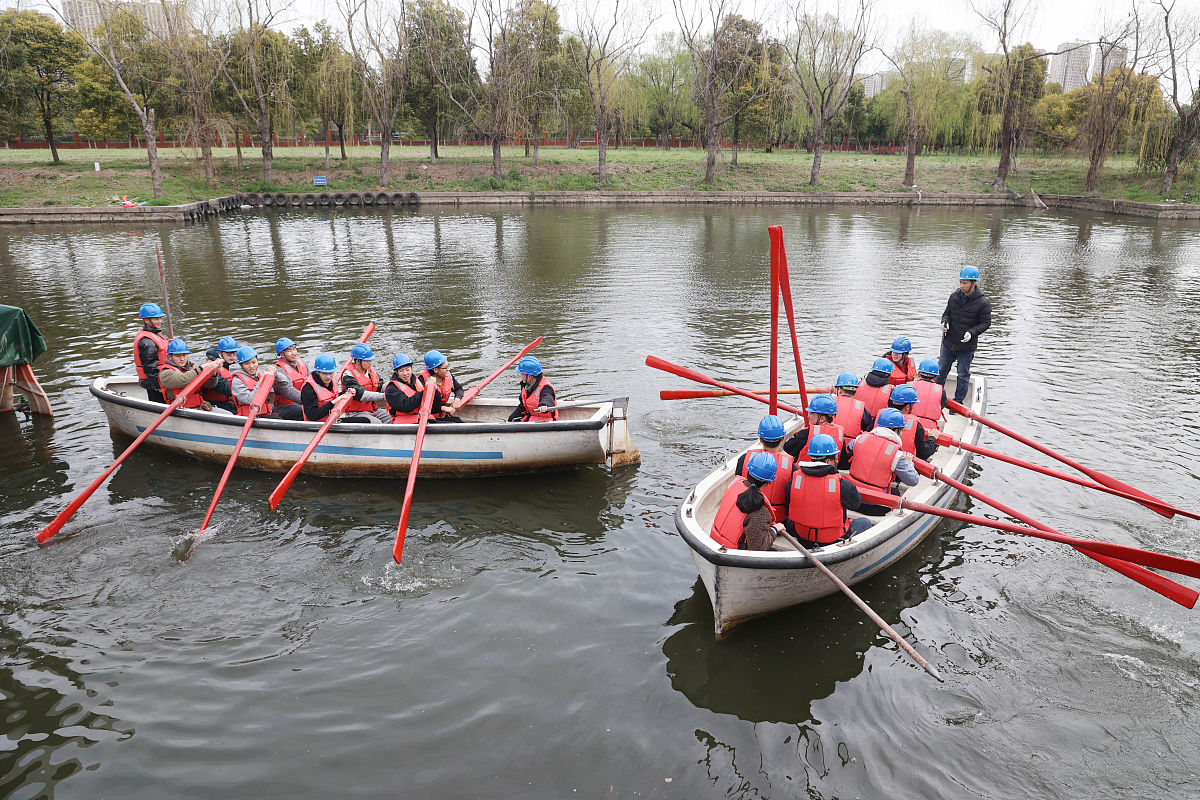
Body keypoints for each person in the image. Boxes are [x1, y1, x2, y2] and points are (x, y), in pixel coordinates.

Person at [782, 433, 875, 547]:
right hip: (833, 540)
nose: (836, 460)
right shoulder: (842, 484)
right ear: (827, 461)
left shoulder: (795, 479)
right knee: (865, 522)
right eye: (835, 457)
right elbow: (855, 504)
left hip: (803, 538)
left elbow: (788, 503)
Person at [939, 265, 992, 404]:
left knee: (962, 375)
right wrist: (944, 322)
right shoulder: (954, 297)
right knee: (941, 371)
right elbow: (947, 314)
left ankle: (957, 403)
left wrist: (972, 333)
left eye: (965, 283)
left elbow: (986, 323)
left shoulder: (983, 303)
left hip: (966, 347)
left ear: (974, 283)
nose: (962, 286)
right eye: (961, 282)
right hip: (948, 343)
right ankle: (936, 397)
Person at [709, 451, 779, 551]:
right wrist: (775, 529)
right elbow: (759, 547)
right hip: (734, 553)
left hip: (714, 541)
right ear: (769, 482)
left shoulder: (734, 484)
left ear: (748, 471)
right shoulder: (760, 509)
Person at [845, 409, 921, 499]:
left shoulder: (859, 439)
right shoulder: (897, 454)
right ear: (896, 431)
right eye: (902, 430)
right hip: (875, 500)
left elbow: (849, 447)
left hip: (851, 494)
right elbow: (913, 480)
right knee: (896, 493)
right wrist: (909, 462)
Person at [733, 415, 794, 523]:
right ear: (782, 438)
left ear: (761, 439)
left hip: (747, 517)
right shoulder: (791, 467)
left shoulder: (744, 459)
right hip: (778, 519)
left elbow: (738, 486)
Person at [157, 338, 226, 412]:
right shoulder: (165, 373)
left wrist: (213, 373)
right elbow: (183, 379)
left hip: (200, 406)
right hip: (179, 410)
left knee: (228, 414)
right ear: (170, 356)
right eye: (178, 356)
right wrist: (202, 367)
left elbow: (208, 385)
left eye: (184, 355)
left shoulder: (191, 368)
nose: (182, 359)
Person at [783, 394, 846, 463]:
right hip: (830, 469)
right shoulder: (839, 433)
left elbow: (787, 448)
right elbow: (843, 462)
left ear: (822, 418)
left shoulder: (805, 433)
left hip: (805, 469)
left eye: (811, 413)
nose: (808, 416)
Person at [228, 345, 287, 418]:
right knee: (277, 419)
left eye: (254, 362)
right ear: (241, 365)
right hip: (251, 416)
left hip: (267, 411)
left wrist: (275, 373)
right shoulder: (236, 381)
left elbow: (284, 382)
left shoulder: (259, 372)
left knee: (295, 410)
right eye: (247, 364)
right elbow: (250, 400)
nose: (251, 366)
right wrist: (261, 382)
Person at [338, 343, 390, 424]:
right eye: (367, 360)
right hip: (356, 413)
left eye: (371, 360)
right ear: (358, 361)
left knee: (392, 417)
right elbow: (361, 394)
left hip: (372, 410)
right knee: (377, 423)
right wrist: (383, 396)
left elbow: (380, 387)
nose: (370, 363)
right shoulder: (348, 375)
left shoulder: (371, 371)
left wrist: (392, 385)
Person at [886, 384, 938, 460]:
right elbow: (924, 453)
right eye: (914, 404)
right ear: (907, 406)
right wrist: (932, 438)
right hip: (903, 462)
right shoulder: (916, 428)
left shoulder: (880, 416)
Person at [301, 354, 355, 422]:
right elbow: (312, 415)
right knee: (364, 420)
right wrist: (333, 402)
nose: (328, 377)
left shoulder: (332, 381)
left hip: (332, 418)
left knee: (364, 419)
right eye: (324, 373)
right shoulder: (308, 388)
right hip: (319, 423)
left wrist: (346, 393)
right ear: (317, 372)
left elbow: (333, 396)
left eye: (331, 373)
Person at [133, 302, 169, 403]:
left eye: (160, 318)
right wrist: (159, 386)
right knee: (160, 404)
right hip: (154, 383)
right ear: (146, 320)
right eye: (156, 319)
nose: (160, 321)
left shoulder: (154, 334)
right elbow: (150, 368)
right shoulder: (147, 341)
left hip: (159, 378)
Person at [420, 350, 465, 423]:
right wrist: (442, 408)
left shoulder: (448, 375)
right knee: (457, 423)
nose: (448, 369)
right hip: (429, 418)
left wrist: (457, 398)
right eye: (445, 368)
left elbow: (458, 388)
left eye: (448, 366)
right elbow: (422, 405)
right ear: (435, 370)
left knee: (459, 421)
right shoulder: (422, 382)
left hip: (442, 414)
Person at [508, 356, 557, 422]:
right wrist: (511, 419)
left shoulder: (546, 387)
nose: (520, 375)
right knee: (512, 420)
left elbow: (547, 397)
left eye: (522, 373)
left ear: (529, 377)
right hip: (532, 418)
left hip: (545, 422)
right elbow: (523, 406)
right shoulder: (525, 386)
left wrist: (544, 405)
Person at [202, 336, 239, 413]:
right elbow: (224, 387)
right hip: (215, 403)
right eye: (229, 353)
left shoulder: (231, 364)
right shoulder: (211, 367)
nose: (232, 356)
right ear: (220, 353)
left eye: (234, 353)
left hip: (229, 401)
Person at [831, 372, 872, 438]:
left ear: (840, 390)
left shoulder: (830, 403)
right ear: (855, 391)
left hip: (830, 440)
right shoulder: (862, 410)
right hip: (851, 443)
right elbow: (867, 427)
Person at [384, 354, 423, 423]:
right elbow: (406, 406)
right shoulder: (391, 389)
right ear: (397, 372)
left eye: (407, 370)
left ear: (412, 369)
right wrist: (423, 393)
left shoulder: (418, 382)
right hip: (404, 423)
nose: (405, 373)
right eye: (401, 371)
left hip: (421, 417)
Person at [273, 337, 309, 411]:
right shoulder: (279, 370)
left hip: (304, 401)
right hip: (285, 407)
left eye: (294, 349)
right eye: (289, 350)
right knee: (307, 410)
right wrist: (310, 401)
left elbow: (312, 379)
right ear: (282, 354)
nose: (294, 353)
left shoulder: (301, 362)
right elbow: (289, 392)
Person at [912, 359, 947, 431]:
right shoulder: (941, 391)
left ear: (919, 374)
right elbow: (943, 404)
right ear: (936, 377)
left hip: (911, 422)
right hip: (931, 427)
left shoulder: (910, 386)